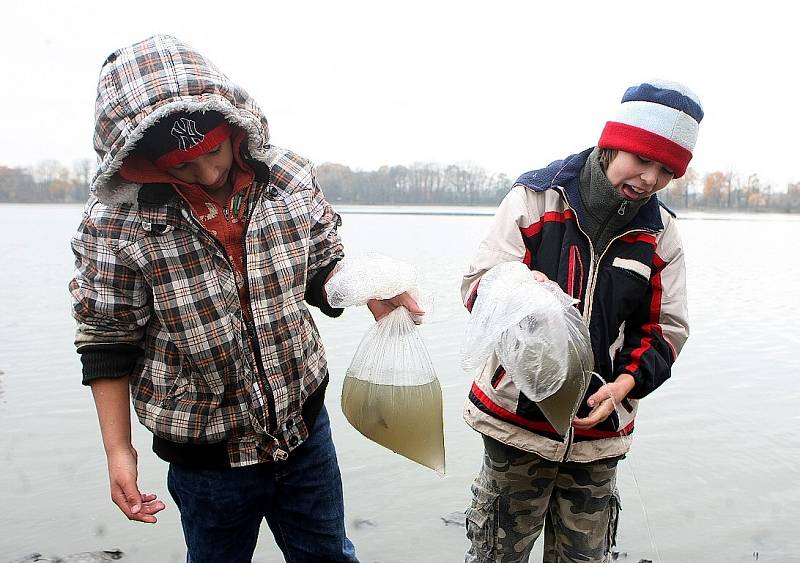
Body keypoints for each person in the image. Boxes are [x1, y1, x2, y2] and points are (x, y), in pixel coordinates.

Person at [69, 35, 421, 563]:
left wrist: (365, 287)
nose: (209, 173)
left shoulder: (288, 180)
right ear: (143, 161)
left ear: (233, 127)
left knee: (329, 554)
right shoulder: (118, 225)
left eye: (214, 151)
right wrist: (119, 452)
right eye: (183, 166)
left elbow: (321, 267)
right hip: (205, 459)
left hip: (303, 433)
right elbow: (107, 341)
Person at [461, 80, 702, 562]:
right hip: (516, 425)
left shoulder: (661, 234)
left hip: (599, 437)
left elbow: (665, 329)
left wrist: (625, 385)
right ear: (614, 144)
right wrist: (527, 295)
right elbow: (478, 285)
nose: (651, 179)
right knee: (494, 555)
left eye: (666, 171)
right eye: (643, 160)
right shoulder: (536, 197)